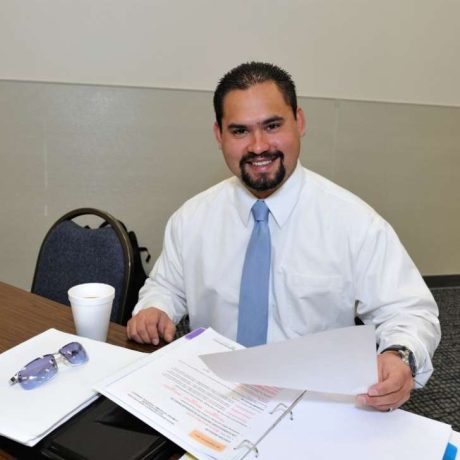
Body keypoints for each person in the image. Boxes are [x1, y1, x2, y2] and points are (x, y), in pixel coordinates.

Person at [127, 62, 440, 412]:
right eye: (240, 131)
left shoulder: (354, 223)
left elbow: (409, 312)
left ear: (300, 122)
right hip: (213, 396)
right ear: (219, 135)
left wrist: (400, 355)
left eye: (272, 126)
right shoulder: (191, 218)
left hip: (313, 402)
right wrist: (155, 309)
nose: (259, 146)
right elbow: (167, 286)